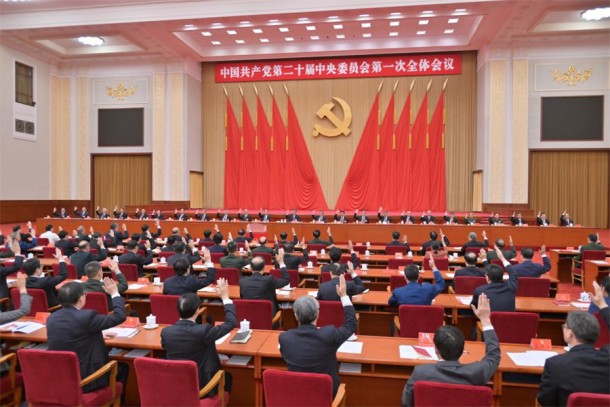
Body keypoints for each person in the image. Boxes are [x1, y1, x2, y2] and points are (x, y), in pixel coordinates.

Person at [402, 293, 499, 407]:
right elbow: (494, 356)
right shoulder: (477, 372)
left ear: (436, 350)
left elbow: (406, 402)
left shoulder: (421, 373)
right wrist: (485, 319)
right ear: (463, 350)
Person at [279, 275, 356, 396]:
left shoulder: (284, 338)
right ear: (318, 313)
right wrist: (344, 296)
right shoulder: (329, 334)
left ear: (295, 316)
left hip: (296, 394)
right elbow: (351, 325)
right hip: (326, 394)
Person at [47, 278, 127, 393]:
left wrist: (98, 332)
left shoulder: (51, 318)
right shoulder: (88, 316)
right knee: (123, 367)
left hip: (61, 377)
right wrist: (114, 293)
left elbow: (72, 332)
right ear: (81, 298)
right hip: (87, 379)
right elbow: (119, 316)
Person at [537, 281, 609, 406]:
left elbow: (545, 400)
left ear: (570, 334)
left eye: (564, 326)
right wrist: (602, 304)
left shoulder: (555, 364)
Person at [161, 279, 236, 398]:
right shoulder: (203, 331)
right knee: (227, 377)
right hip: (202, 387)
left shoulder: (166, 332)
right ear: (197, 311)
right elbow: (231, 322)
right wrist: (225, 298)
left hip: (176, 384)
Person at [472, 247, 518, 312]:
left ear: (487, 277)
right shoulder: (511, 286)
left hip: (489, 321)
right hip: (509, 321)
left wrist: (484, 259)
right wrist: (502, 258)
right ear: (502, 276)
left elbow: (473, 306)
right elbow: (513, 272)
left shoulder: (480, 291)